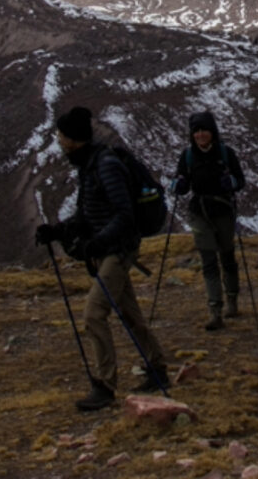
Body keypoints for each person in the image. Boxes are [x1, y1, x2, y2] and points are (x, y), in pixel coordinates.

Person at [35, 106, 169, 411]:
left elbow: (124, 215)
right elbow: (88, 214)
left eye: (62, 137)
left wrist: (94, 244)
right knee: (129, 312)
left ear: (73, 139)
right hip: (110, 249)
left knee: (94, 314)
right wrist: (55, 232)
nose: (59, 141)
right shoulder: (90, 164)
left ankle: (106, 386)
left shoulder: (105, 165)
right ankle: (157, 367)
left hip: (118, 250)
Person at [171, 110, 245, 331]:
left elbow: (241, 180)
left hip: (222, 211)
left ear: (212, 132)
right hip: (200, 212)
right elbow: (178, 181)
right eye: (196, 131)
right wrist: (179, 185)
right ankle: (216, 311)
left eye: (204, 130)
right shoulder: (187, 156)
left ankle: (232, 300)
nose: (201, 135)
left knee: (227, 255)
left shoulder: (226, 153)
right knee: (209, 261)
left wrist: (231, 182)